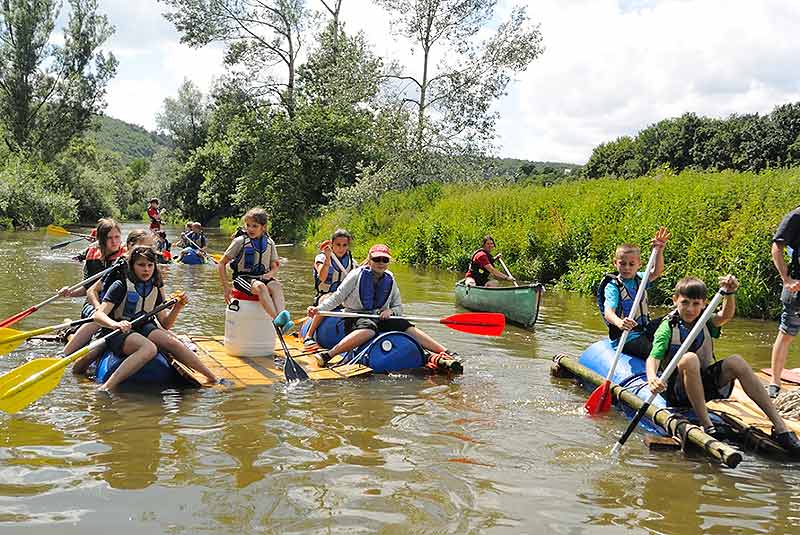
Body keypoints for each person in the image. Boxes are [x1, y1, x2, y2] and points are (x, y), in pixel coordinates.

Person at [646, 275, 800, 453]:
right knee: (689, 358)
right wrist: (652, 378)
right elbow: (653, 357)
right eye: (685, 302)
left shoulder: (705, 321)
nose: (690, 309)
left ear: (704, 304)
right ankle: (708, 425)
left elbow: (726, 315)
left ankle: (781, 428)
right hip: (678, 391)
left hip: (703, 385)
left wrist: (729, 293)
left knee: (737, 361)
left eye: (696, 304)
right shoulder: (667, 327)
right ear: (675, 300)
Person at [306, 244, 459, 371]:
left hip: (379, 316)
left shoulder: (390, 278)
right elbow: (337, 297)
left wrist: (390, 311)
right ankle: (329, 355)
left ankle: (445, 351)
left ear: (388, 261)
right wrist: (319, 309)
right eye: (376, 259)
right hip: (355, 316)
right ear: (370, 260)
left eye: (384, 260)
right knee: (368, 329)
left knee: (403, 324)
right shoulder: (356, 274)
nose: (380, 262)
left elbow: (398, 306)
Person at [92, 245, 220, 391]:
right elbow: (98, 315)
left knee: (173, 342)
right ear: (132, 266)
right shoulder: (120, 284)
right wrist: (115, 324)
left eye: (150, 265)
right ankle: (106, 387)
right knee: (149, 348)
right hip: (118, 332)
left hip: (143, 327)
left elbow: (165, 324)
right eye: (141, 265)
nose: (146, 269)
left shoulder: (154, 286)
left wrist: (178, 308)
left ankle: (213, 378)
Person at [68, 229, 156, 371]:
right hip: (109, 317)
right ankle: (65, 357)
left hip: (135, 320)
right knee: (96, 340)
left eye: (151, 248)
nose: (148, 252)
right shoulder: (119, 268)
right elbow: (91, 290)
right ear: (130, 247)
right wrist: (99, 309)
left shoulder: (151, 269)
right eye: (144, 247)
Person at [598, 227, 670, 358]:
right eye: (622, 263)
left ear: (639, 264)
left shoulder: (641, 279)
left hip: (644, 329)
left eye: (631, 264)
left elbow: (657, 271)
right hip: (625, 337)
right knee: (654, 351)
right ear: (615, 263)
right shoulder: (613, 286)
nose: (626, 267)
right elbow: (609, 312)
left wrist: (659, 250)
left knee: (672, 319)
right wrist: (620, 323)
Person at [217, 207, 292, 332]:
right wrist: (226, 288)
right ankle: (277, 320)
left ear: (263, 227)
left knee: (276, 285)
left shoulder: (269, 242)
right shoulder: (239, 241)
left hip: (262, 277)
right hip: (242, 278)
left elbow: (275, 265)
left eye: (254, 226)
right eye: (248, 225)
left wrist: (270, 274)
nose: (250, 229)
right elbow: (221, 263)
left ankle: (283, 319)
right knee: (261, 287)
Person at [59, 218, 126, 320]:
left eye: (117, 237)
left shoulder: (126, 255)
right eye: (109, 238)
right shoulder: (92, 256)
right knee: (100, 317)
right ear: (102, 240)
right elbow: (87, 288)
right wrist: (70, 293)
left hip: (117, 305)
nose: (114, 241)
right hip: (93, 304)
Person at [304, 229, 357, 347]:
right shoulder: (321, 258)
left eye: (344, 245)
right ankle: (309, 335)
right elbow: (322, 278)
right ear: (332, 244)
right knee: (327, 299)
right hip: (324, 296)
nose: (341, 248)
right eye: (338, 245)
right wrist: (328, 259)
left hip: (343, 299)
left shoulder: (352, 263)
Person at [768, 207, 800, 398]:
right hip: (796, 286)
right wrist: (786, 280)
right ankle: (775, 381)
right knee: (787, 332)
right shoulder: (796, 217)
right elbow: (777, 248)